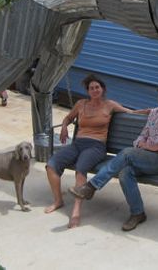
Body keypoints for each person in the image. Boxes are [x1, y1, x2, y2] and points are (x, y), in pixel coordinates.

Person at [69, 77, 158, 232]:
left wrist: (155, 147)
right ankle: (138, 213)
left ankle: (91, 186)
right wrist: (141, 144)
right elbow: (143, 135)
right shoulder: (155, 113)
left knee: (127, 153)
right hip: (144, 157)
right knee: (125, 172)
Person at [44, 74, 131, 228]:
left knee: (80, 169)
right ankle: (58, 200)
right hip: (77, 144)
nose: (94, 90)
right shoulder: (81, 104)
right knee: (51, 165)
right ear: (88, 91)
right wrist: (64, 126)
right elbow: (68, 118)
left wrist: (150, 112)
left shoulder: (109, 105)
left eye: (97, 87)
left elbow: (130, 112)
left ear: (102, 89)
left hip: (96, 146)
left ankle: (76, 211)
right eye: (91, 88)